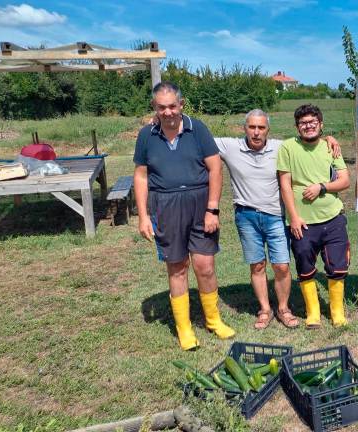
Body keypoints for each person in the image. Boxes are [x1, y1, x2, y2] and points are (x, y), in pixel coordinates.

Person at [215, 109, 342, 330]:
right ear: (244, 128)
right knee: (257, 265)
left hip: (275, 215)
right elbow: (199, 137)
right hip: (245, 215)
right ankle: (265, 309)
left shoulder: (280, 147)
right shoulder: (230, 147)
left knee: (282, 266)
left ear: (268, 130)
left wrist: (329, 138)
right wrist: (163, 121)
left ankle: (283, 308)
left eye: (261, 128)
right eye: (251, 127)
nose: (256, 132)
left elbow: (309, 137)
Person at [133, 81, 235, 350]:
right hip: (165, 206)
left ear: (181, 105)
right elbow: (141, 177)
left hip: (200, 203)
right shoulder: (146, 135)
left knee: (205, 266)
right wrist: (143, 216)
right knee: (177, 267)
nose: (167, 112)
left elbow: (215, 169)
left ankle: (213, 320)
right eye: (161, 107)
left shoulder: (197, 128)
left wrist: (212, 209)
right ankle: (185, 328)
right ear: (154, 107)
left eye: (172, 106)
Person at [277, 104, 351, 329]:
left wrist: (322, 187)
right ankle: (313, 313)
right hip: (303, 222)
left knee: (338, 266)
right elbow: (285, 185)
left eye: (312, 122)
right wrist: (294, 217)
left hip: (332, 217)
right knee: (305, 266)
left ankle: (337, 312)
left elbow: (345, 181)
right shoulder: (287, 147)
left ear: (321, 124)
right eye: (303, 123)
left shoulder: (331, 148)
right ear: (297, 127)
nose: (308, 126)